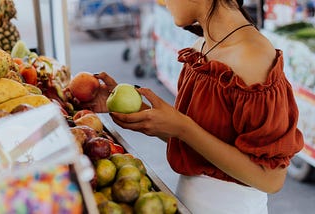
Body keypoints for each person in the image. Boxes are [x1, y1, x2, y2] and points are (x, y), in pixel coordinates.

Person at [82, 0, 304, 213]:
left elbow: (271, 178)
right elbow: (201, 139)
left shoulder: (253, 57)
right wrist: (140, 112)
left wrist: (182, 127)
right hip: (187, 202)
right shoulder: (202, 45)